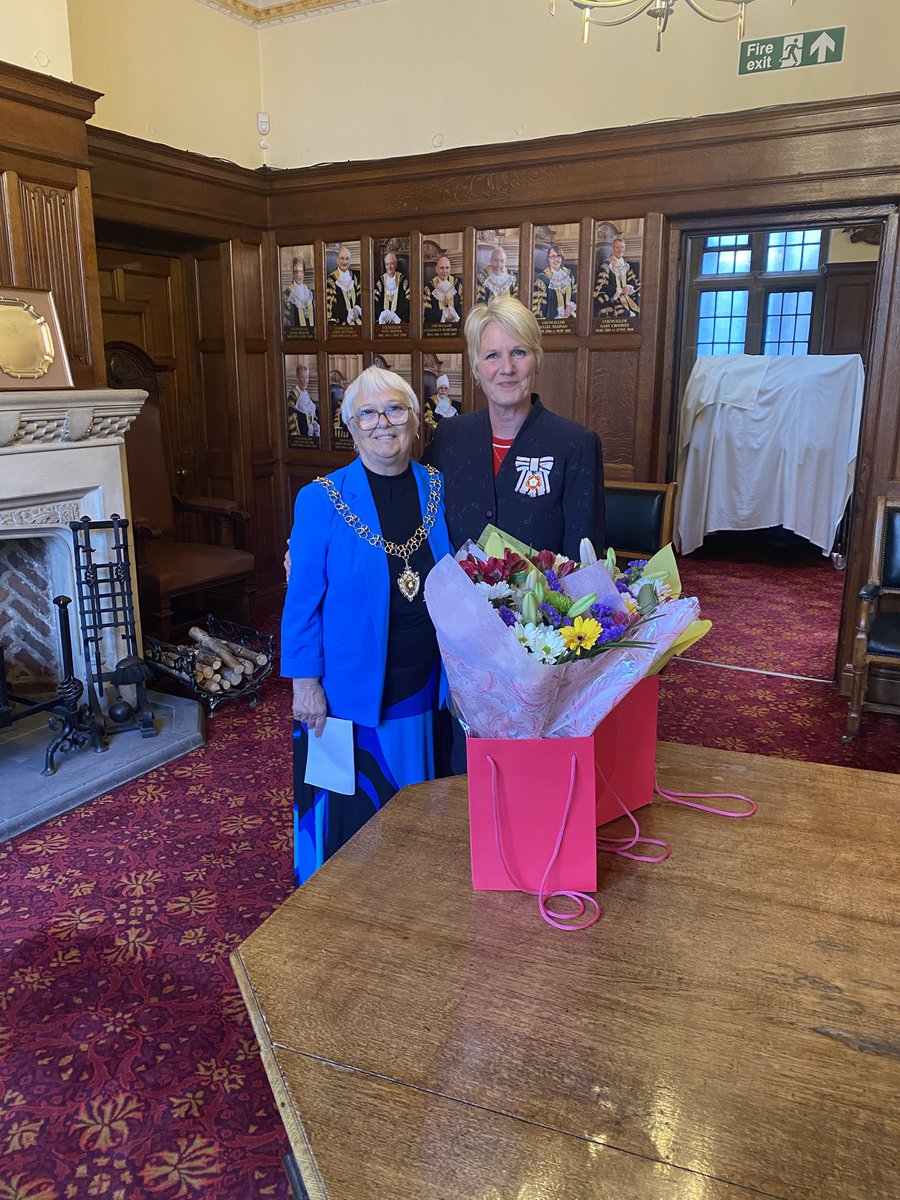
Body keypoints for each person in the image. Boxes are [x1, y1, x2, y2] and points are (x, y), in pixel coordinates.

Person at [281, 366, 453, 885]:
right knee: (352, 815)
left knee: (418, 804)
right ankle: (339, 899)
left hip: (425, 685)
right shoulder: (321, 499)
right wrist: (305, 684)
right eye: (369, 413)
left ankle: (413, 889)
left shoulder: (437, 489)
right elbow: (302, 599)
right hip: (347, 693)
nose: (384, 422)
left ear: (415, 421)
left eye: (396, 409)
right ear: (351, 426)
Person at [426, 295, 604, 562]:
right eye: (492, 355)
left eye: (519, 352)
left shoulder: (576, 444)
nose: (506, 368)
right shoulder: (449, 437)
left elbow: (584, 565)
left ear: (537, 360)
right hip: (453, 600)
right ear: (476, 367)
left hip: (544, 602)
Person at [593, 237, 640, 322]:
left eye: (622, 247)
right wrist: (619, 290)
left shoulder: (626, 266)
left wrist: (629, 287)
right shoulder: (607, 265)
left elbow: (634, 282)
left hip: (627, 297)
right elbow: (602, 286)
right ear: (613, 249)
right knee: (625, 313)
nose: (620, 250)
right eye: (617, 247)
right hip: (612, 297)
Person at [532, 245, 577, 321]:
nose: (556, 259)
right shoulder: (542, 279)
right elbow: (537, 305)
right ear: (548, 259)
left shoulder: (569, 275)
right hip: (551, 322)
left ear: (562, 259)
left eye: (558, 256)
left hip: (570, 319)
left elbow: (575, 292)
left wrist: (570, 307)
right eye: (552, 257)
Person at [326, 245, 362, 326]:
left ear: (350, 261)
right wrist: (348, 314)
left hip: (358, 320)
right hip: (341, 323)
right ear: (337, 260)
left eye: (347, 259)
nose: (344, 262)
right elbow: (332, 306)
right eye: (342, 258)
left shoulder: (355, 277)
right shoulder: (331, 280)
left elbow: (361, 297)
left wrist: (357, 308)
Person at [373, 251, 411, 325]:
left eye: (391, 263)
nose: (389, 267)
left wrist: (395, 316)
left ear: (395, 264)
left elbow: (407, 302)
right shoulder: (380, 281)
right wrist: (384, 316)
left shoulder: (403, 280)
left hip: (399, 320)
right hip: (383, 320)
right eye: (387, 264)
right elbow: (375, 302)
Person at [424, 255, 463, 325]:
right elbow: (427, 312)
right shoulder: (429, 287)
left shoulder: (457, 285)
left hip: (456, 327)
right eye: (442, 268)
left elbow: (463, 306)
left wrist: (453, 315)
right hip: (436, 328)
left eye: (447, 268)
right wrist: (443, 315)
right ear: (436, 269)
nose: (445, 271)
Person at [286, 360, 319, 442]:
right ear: (297, 378)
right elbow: (292, 419)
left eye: (307, 377)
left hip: (311, 438)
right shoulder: (293, 396)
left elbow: (313, 415)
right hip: (301, 439)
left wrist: (315, 426)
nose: (305, 380)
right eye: (302, 377)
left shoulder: (307, 395)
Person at [282, 255, 315, 330]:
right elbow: (287, 322)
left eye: (301, 271)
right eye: (296, 272)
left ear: (304, 273)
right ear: (292, 273)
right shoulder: (287, 295)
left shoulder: (310, 293)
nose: (299, 275)